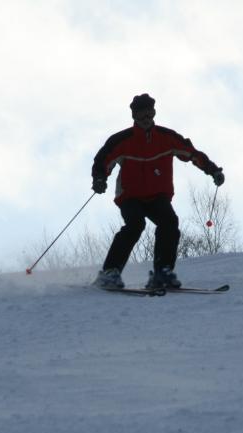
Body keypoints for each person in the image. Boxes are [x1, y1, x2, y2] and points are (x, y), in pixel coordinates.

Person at [91, 93, 225, 289]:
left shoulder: (166, 138)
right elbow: (102, 160)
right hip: (130, 196)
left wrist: (213, 170)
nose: (146, 118)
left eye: (150, 113)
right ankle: (110, 273)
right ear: (134, 116)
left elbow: (192, 154)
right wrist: (100, 179)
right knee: (135, 224)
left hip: (157, 196)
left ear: (154, 113)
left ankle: (162, 272)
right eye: (141, 114)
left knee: (169, 222)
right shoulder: (122, 140)